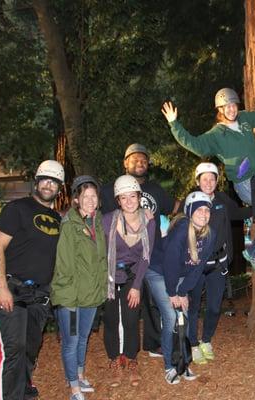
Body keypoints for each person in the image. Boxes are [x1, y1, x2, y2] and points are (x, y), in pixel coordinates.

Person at [161, 81, 255, 274]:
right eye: (227, 107)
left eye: (234, 105)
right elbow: (195, 145)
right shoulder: (217, 134)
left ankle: (252, 250)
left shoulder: (244, 120)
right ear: (220, 109)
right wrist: (174, 124)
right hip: (244, 183)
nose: (232, 110)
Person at [0, 160, 64, 400]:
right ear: (36, 181)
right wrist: (2, 287)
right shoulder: (17, 208)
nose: (48, 185)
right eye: (45, 179)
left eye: (54, 182)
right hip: (12, 287)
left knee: (31, 348)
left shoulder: (57, 218)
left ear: (59, 187)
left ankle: (23, 391)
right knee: (14, 349)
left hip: (40, 295)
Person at [100, 143, 176, 358]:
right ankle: (118, 353)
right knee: (118, 312)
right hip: (118, 257)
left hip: (150, 254)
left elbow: (174, 207)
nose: (140, 163)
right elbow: (94, 213)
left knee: (151, 301)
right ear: (125, 163)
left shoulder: (156, 189)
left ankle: (153, 343)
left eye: (143, 160)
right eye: (134, 159)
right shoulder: (109, 190)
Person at [145, 191, 216, 385]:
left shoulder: (210, 234)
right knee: (170, 316)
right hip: (158, 270)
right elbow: (170, 264)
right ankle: (169, 366)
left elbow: (198, 268)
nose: (204, 213)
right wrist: (173, 293)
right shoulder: (182, 229)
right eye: (199, 209)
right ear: (190, 212)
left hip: (179, 275)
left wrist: (183, 292)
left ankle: (182, 362)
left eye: (207, 210)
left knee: (182, 315)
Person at [186, 162, 251, 364]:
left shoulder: (222, 199)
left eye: (212, 178)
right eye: (204, 179)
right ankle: (193, 344)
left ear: (217, 181)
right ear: (198, 181)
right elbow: (179, 226)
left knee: (214, 307)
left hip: (218, 263)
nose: (208, 182)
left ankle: (206, 341)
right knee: (193, 306)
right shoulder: (191, 200)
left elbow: (239, 214)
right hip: (195, 264)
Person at [50, 176, 108, 400]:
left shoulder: (97, 222)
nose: (90, 200)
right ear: (76, 199)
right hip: (70, 296)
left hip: (91, 294)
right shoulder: (69, 224)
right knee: (71, 341)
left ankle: (80, 375)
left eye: (94, 196)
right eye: (86, 196)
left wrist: (101, 289)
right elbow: (64, 266)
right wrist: (69, 299)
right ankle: (73, 386)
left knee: (83, 337)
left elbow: (101, 260)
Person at [102, 175, 156, 387]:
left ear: (139, 197)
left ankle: (132, 359)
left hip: (133, 276)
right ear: (118, 201)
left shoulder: (148, 221)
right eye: (123, 198)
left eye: (132, 196)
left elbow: (146, 255)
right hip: (109, 276)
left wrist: (136, 286)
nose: (129, 201)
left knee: (132, 319)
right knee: (111, 320)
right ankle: (115, 359)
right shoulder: (108, 220)